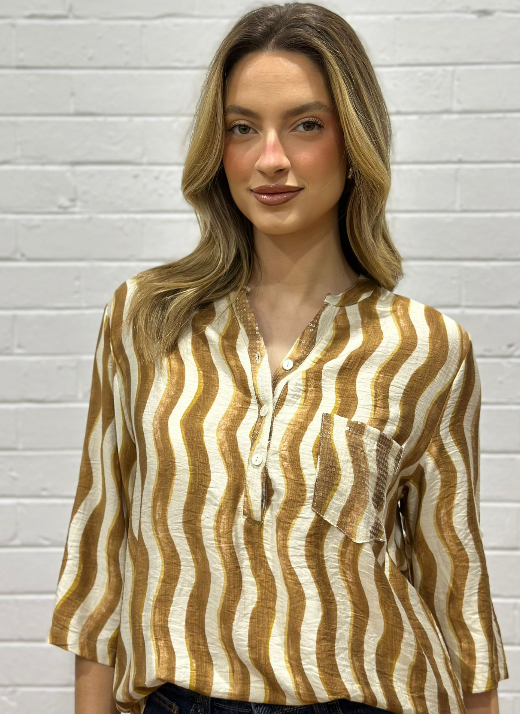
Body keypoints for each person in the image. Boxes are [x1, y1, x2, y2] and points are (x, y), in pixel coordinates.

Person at [47, 3, 508, 714]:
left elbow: (455, 579)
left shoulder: (424, 346)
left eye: (306, 125)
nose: (271, 159)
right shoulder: (147, 319)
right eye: (242, 128)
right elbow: (99, 548)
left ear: (354, 142)